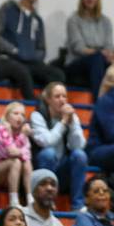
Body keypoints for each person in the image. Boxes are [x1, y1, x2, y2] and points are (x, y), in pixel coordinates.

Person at [0, 0, 65, 100]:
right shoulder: (7, 9)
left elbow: (42, 49)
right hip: (6, 61)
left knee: (57, 74)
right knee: (23, 71)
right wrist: (14, 50)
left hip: (29, 63)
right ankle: (34, 105)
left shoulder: (37, 20)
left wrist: (32, 57)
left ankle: (49, 103)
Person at [30, 82, 88, 211]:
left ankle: (78, 205)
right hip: (41, 170)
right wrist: (63, 123)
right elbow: (47, 142)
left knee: (80, 155)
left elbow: (79, 145)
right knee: (49, 153)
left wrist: (72, 124)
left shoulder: (71, 117)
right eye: (57, 96)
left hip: (62, 170)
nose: (62, 100)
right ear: (48, 100)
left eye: (64, 96)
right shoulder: (38, 115)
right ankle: (47, 202)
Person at [64, 0, 113, 99]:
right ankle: (99, 102)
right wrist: (99, 52)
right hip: (77, 62)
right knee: (97, 59)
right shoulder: (74, 19)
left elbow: (109, 46)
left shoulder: (106, 21)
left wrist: (108, 54)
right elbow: (78, 47)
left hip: (100, 59)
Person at [0, 101, 33, 207]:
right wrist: (22, 137)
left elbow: (27, 155)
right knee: (16, 161)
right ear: (7, 116)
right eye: (16, 113)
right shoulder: (2, 129)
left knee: (26, 162)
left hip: (12, 175)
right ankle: (14, 201)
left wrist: (20, 148)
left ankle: (30, 198)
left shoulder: (22, 132)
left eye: (22, 115)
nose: (20, 117)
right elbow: (11, 151)